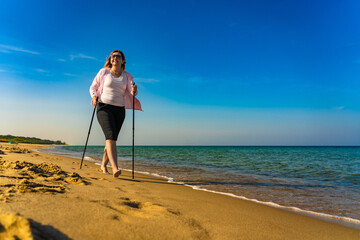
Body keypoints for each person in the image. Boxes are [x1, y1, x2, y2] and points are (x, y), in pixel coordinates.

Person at [90, 50, 142, 177]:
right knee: (111, 137)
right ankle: (115, 168)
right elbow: (93, 87)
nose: (115, 58)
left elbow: (132, 93)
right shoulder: (104, 72)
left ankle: (103, 165)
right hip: (104, 107)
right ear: (110, 59)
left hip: (119, 110)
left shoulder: (127, 76)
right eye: (112, 56)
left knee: (111, 139)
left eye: (118, 56)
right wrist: (94, 97)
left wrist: (135, 91)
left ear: (123, 60)